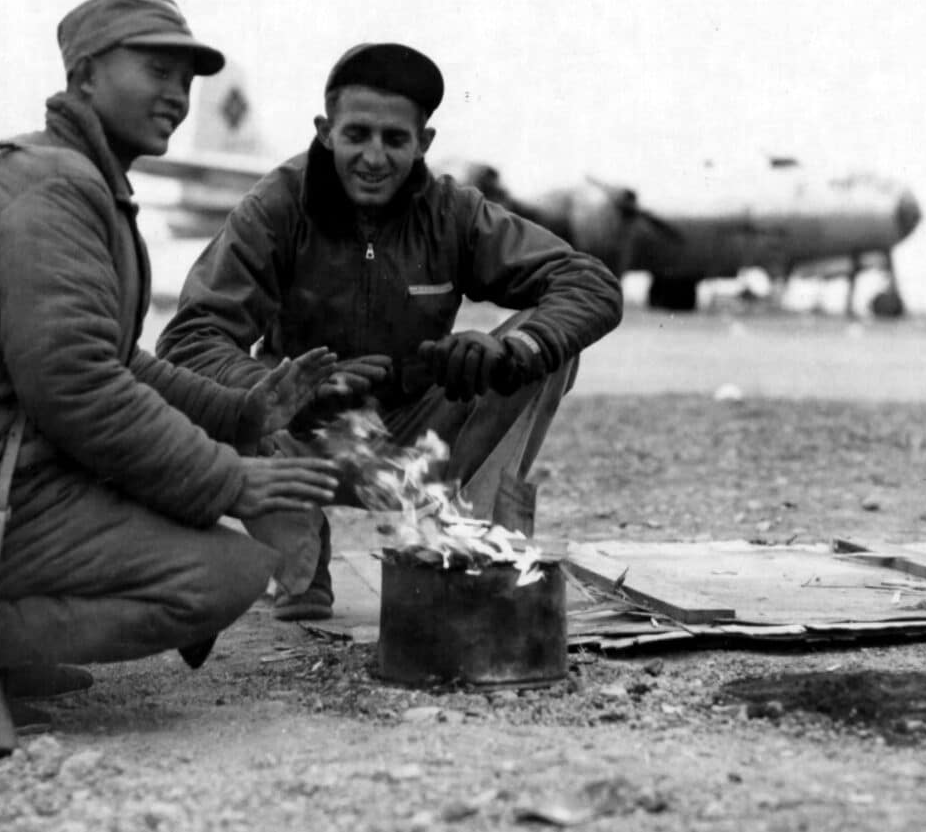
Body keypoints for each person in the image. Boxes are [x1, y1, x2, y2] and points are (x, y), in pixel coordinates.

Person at [0, 0, 339, 727]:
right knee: (225, 573)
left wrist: (242, 411)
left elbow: (110, 357)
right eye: (156, 70)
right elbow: (76, 385)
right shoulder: (57, 186)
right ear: (85, 75)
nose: (177, 96)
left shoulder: (61, 173)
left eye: (186, 80)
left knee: (191, 508)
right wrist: (232, 480)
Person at [156, 42, 624, 620]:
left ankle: (468, 553)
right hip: (303, 439)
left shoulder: (453, 211)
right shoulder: (273, 206)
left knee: (548, 347)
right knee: (210, 398)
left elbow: (588, 282)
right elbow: (188, 339)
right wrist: (285, 387)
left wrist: (507, 351)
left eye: (395, 140)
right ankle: (297, 556)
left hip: (416, 436)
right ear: (326, 132)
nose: (373, 158)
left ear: (423, 143)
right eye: (357, 135)